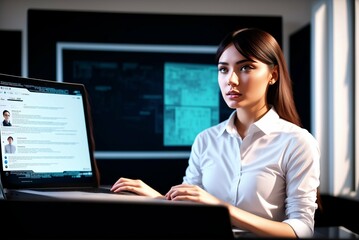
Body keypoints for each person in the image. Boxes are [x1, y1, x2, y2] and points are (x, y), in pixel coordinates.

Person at [110, 28, 320, 238]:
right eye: (223, 69)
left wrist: (219, 207)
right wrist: (155, 199)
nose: (231, 80)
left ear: (272, 75)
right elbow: (189, 207)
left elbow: (301, 230)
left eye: (246, 67)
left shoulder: (297, 142)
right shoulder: (206, 140)